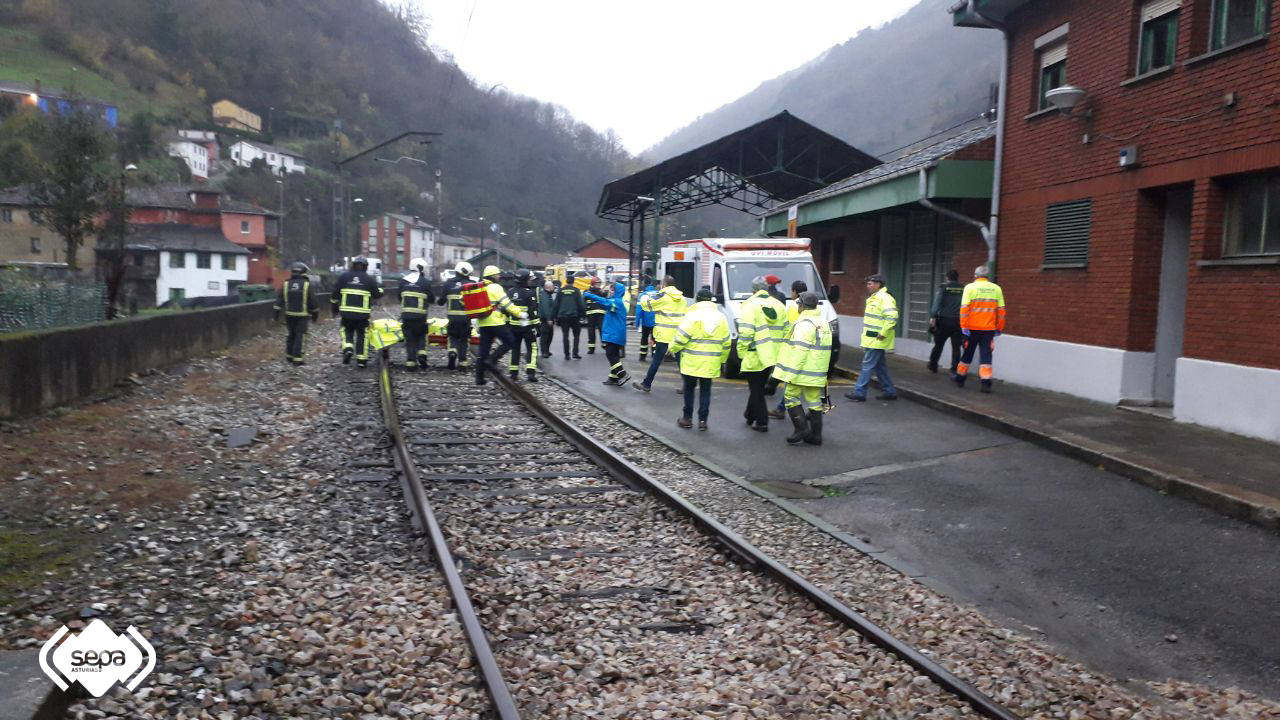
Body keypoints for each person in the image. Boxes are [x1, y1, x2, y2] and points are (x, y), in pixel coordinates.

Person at [772, 291, 832, 445]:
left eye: (798, 303)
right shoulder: (823, 322)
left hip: (801, 371)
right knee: (814, 401)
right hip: (817, 371)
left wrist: (790, 374)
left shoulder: (804, 324)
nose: (797, 306)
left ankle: (801, 429)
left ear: (803, 306)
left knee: (790, 397)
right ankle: (816, 436)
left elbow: (799, 351)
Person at [669, 286, 730, 430]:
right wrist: (722, 360)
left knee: (689, 389)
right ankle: (703, 421)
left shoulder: (692, 316)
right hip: (711, 363)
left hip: (691, 362)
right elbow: (726, 342)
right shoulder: (721, 317)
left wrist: (672, 349)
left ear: (697, 300)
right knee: (705, 391)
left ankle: (687, 419)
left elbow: (681, 338)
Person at [737, 275, 788, 432]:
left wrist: (741, 352)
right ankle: (749, 414)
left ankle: (761, 422)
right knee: (757, 386)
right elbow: (786, 331)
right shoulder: (779, 306)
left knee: (756, 389)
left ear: (753, 290)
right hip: (773, 355)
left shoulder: (750, 305)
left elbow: (745, 332)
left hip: (755, 354)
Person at [845, 274, 898, 402]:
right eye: (867, 283)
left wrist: (883, 333)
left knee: (867, 366)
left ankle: (860, 392)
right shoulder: (875, 298)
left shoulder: (885, 298)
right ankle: (889, 391)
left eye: (870, 283)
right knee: (880, 367)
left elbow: (892, 317)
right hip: (873, 339)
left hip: (878, 339)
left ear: (878, 284)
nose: (868, 286)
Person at [955, 265, 1006, 393]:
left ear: (975, 276)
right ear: (988, 277)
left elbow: (964, 310)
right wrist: (999, 328)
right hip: (988, 330)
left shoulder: (969, 288)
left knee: (967, 354)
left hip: (971, 329)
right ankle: (986, 383)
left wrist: (964, 327)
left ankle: (960, 378)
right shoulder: (996, 289)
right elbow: (1001, 312)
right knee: (986, 356)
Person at [633, 276, 688, 393]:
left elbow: (646, 306)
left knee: (657, 360)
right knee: (680, 361)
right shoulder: (682, 298)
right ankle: (687, 386)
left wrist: (644, 296)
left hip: (664, 335)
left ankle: (646, 384)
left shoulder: (663, 296)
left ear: (664, 284)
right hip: (677, 335)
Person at [474, 265, 526, 385]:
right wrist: (520, 314)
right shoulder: (495, 287)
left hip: (482, 322)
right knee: (510, 341)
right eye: (497, 275)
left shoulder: (478, 287)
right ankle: (492, 360)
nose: (499, 277)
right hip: (496, 322)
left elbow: (463, 300)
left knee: (483, 351)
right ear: (492, 276)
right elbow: (507, 304)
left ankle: (479, 378)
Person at [330, 256, 383, 368]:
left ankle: (348, 348)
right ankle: (361, 360)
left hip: (346, 314)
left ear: (353, 265)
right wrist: (381, 291)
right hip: (362, 315)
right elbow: (377, 294)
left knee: (346, 331)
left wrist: (334, 307)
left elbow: (335, 294)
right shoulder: (369, 279)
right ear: (365, 267)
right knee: (362, 336)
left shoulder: (344, 277)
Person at [768, 280, 807, 420]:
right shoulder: (813, 306)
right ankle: (814, 410)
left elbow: (789, 328)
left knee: (790, 382)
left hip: (793, 348)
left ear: (795, 292)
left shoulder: (792, 307)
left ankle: (782, 409)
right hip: (810, 349)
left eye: (792, 291)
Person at [583, 279, 631, 386]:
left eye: (612, 290)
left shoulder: (616, 302)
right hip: (616, 334)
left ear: (616, 291)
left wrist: (588, 295)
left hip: (614, 335)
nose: (610, 291)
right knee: (614, 355)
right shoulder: (616, 301)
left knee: (610, 354)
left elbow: (603, 301)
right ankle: (613, 378)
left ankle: (622, 374)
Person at [274, 262, 319, 365]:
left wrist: (276, 313)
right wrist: (315, 314)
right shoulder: (307, 285)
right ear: (303, 272)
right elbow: (313, 301)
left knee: (291, 335)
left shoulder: (286, 284)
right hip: (302, 316)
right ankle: (298, 359)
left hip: (289, 315)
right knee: (300, 336)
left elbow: (279, 300)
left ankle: (289, 356)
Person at [398, 257, 435, 371]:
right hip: (420, 317)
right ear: (421, 268)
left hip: (406, 317)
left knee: (410, 340)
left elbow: (399, 297)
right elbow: (432, 299)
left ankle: (410, 363)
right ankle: (422, 354)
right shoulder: (425, 282)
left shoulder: (403, 281)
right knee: (421, 336)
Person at [506, 268, 540, 382]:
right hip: (527, 327)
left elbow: (506, 310)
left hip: (513, 327)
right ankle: (530, 373)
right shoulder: (529, 293)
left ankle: (514, 373)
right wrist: (537, 326)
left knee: (515, 348)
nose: (531, 281)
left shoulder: (510, 292)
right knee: (532, 348)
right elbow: (532, 312)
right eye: (529, 279)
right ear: (525, 280)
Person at [928, 269, 964, 375]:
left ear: (947, 277)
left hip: (944, 321)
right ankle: (954, 370)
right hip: (958, 322)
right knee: (956, 347)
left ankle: (933, 365)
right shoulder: (963, 288)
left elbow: (937, 302)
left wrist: (933, 316)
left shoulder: (943, 287)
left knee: (938, 344)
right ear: (957, 278)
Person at [439, 261, 474, 370]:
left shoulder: (448, 283)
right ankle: (463, 363)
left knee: (452, 336)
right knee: (464, 339)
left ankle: (452, 351)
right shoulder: (472, 284)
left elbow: (441, 301)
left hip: (453, 319)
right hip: (466, 319)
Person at [551, 275, 586, 359]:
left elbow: (556, 304)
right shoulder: (576, 291)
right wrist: (583, 315)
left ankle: (567, 355)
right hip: (574, 316)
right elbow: (581, 304)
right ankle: (575, 353)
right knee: (576, 335)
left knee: (565, 336)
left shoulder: (561, 291)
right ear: (573, 281)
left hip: (563, 316)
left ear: (566, 281)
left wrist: (554, 316)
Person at [635, 284, 658, 362]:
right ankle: (655, 355)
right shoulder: (658, 294)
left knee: (644, 338)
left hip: (646, 322)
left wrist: (637, 323)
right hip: (657, 322)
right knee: (655, 339)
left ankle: (643, 356)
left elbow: (639, 311)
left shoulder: (642, 295)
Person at [583, 278, 605, 354]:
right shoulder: (587, 292)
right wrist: (584, 312)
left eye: (599, 283)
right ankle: (591, 348)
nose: (599, 285)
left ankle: (605, 345)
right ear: (592, 284)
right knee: (591, 331)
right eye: (597, 283)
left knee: (602, 330)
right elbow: (583, 302)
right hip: (591, 314)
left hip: (601, 314)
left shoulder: (602, 292)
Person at [538, 278, 557, 358]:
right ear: (548, 288)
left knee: (550, 335)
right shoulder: (545, 295)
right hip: (545, 320)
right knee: (545, 336)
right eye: (553, 287)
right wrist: (549, 319)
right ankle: (544, 352)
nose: (554, 288)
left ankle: (547, 350)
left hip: (549, 319)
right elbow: (546, 308)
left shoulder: (548, 295)